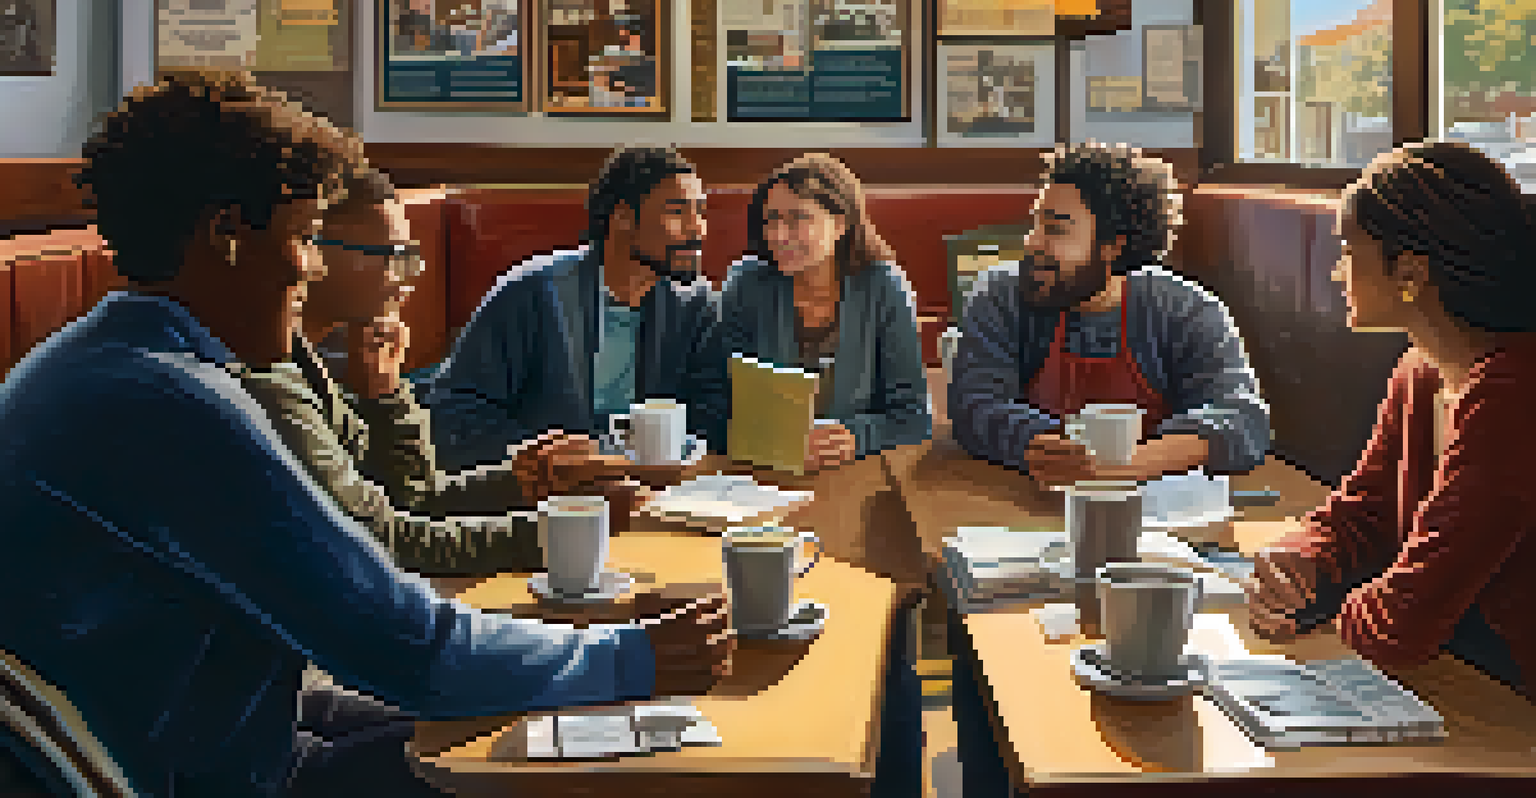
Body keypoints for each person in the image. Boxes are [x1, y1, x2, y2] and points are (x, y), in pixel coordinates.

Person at [0, 71, 730, 797]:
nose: (313, 266)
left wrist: (592, 644)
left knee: (539, 720)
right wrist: (629, 655)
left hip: (229, 735)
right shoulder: (170, 405)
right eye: (304, 237)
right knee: (595, 768)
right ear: (226, 236)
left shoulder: (106, 360)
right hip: (201, 777)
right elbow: (405, 645)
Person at [240, 164, 646, 576]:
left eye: (410, 255)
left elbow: (411, 497)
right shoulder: (271, 379)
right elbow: (380, 540)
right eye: (390, 255)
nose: (409, 275)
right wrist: (564, 530)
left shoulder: (317, 361)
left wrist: (519, 482)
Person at [1247, 140, 1536, 694]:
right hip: (1460, 669)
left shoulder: (1513, 391)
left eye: (1348, 251)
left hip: (1514, 693)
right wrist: (1299, 558)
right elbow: (1367, 509)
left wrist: (1318, 621)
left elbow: (1410, 616)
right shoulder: (1421, 370)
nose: (1337, 273)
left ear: (1410, 271)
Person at [950, 141, 1270, 487]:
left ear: (1113, 246)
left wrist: (1127, 465)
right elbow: (974, 406)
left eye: (1055, 229)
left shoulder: (1185, 310)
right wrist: (1053, 451)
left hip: (1157, 506)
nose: (1032, 242)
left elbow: (1242, 420)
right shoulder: (1001, 297)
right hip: (1024, 497)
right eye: (1036, 224)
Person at [420, 145, 729, 472]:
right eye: (677, 212)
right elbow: (454, 411)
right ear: (623, 218)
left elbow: (711, 413)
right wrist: (549, 462)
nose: (698, 229)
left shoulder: (695, 304)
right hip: (546, 490)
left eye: (701, 212)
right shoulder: (535, 292)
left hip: (654, 488)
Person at [721, 152, 931, 473]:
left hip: (856, 469)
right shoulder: (746, 284)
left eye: (798, 218)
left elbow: (913, 416)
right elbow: (718, 399)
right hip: (762, 468)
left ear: (841, 224)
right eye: (771, 219)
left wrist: (856, 437)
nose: (778, 235)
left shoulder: (885, 287)